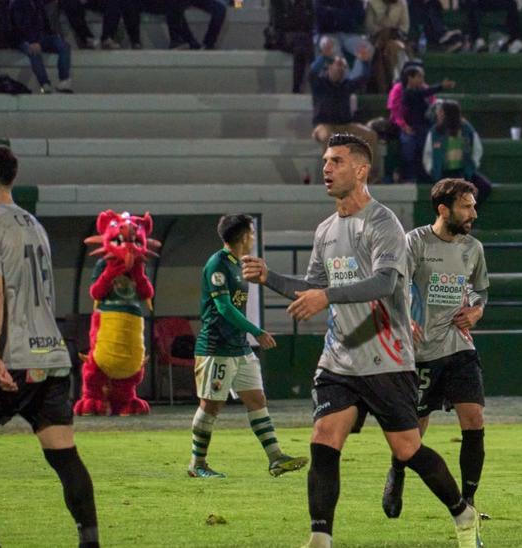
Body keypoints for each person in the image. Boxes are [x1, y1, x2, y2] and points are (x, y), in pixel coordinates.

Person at [241, 134, 482, 548]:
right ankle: (320, 538)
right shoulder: (325, 230)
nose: (326, 169)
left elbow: (385, 282)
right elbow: (313, 285)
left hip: (387, 360)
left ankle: (463, 513)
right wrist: (271, 278)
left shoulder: (383, 223)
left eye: (336, 161)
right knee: (323, 439)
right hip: (339, 359)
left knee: (408, 449)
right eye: (325, 161)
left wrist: (326, 296)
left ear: (361, 170)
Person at [0, 145, 99, 548]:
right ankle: (91, 541)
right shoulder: (34, 224)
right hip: (51, 355)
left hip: (15, 359)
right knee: (63, 454)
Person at [381, 178, 490, 520]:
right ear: (444, 209)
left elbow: (479, 291)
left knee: (473, 418)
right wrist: (403, 320)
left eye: (473, 205)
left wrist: (477, 309)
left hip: (458, 346)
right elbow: (395, 287)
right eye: (466, 206)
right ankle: (397, 472)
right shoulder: (414, 242)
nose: (473, 212)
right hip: (421, 350)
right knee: (414, 431)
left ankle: (469, 502)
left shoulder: (473, 248)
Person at [186, 214, 309, 479]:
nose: (253, 238)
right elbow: (224, 307)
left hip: (239, 348)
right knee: (211, 406)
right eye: (252, 233)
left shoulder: (240, 264)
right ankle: (197, 464)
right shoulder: (217, 264)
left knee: (256, 399)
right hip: (216, 348)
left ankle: (275, 458)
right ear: (243, 236)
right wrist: (257, 331)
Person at [423, 100, 494, 203]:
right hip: (443, 173)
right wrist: (432, 170)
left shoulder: (466, 129)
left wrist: (472, 165)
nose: (438, 114)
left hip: (463, 171)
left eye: (441, 112)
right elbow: (427, 154)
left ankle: (469, 211)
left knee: (485, 187)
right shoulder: (435, 132)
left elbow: (477, 148)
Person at [309, 52, 379, 156]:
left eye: (343, 66)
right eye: (338, 64)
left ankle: (370, 172)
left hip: (345, 125)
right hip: (324, 125)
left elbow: (365, 77)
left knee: (371, 135)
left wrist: (365, 63)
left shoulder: (346, 85)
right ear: (329, 67)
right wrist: (323, 56)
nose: (341, 68)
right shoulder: (319, 83)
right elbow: (312, 72)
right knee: (330, 139)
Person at [400, 65, 455, 184]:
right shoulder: (408, 93)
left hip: (424, 128)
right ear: (410, 78)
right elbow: (425, 92)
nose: (422, 80)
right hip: (418, 130)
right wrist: (441, 86)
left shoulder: (417, 93)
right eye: (419, 77)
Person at [9, 0, 73, 94]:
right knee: (34, 51)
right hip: (22, 38)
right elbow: (19, 26)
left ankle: (64, 79)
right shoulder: (17, 3)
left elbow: (44, 22)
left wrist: (53, 35)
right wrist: (32, 41)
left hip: (40, 37)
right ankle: (44, 83)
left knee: (64, 46)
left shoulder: (37, 3)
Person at [267, 0, 315, 93]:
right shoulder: (278, 2)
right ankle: (298, 88)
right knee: (302, 45)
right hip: (283, 36)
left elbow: (310, 22)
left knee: (304, 46)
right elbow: (280, 23)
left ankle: (306, 87)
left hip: (302, 37)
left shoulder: (307, 3)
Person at [365, 0, 410, 93]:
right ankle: (383, 86)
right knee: (379, 50)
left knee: (394, 48)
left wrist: (391, 33)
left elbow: (405, 26)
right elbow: (369, 26)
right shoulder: (372, 3)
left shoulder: (401, 3)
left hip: (395, 37)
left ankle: (399, 82)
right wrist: (383, 33)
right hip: (377, 38)